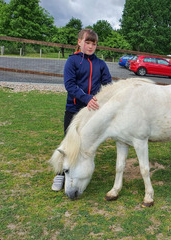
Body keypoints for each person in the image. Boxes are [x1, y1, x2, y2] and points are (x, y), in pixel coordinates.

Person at [51, 28, 112, 191]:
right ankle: (60, 174)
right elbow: (70, 85)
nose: (91, 46)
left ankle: (81, 171)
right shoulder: (72, 61)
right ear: (79, 42)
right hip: (73, 109)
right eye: (87, 42)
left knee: (85, 143)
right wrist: (86, 98)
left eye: (94, 43)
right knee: (69, 143)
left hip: (92, 112)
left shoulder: (101, 64)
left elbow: (108, 85)